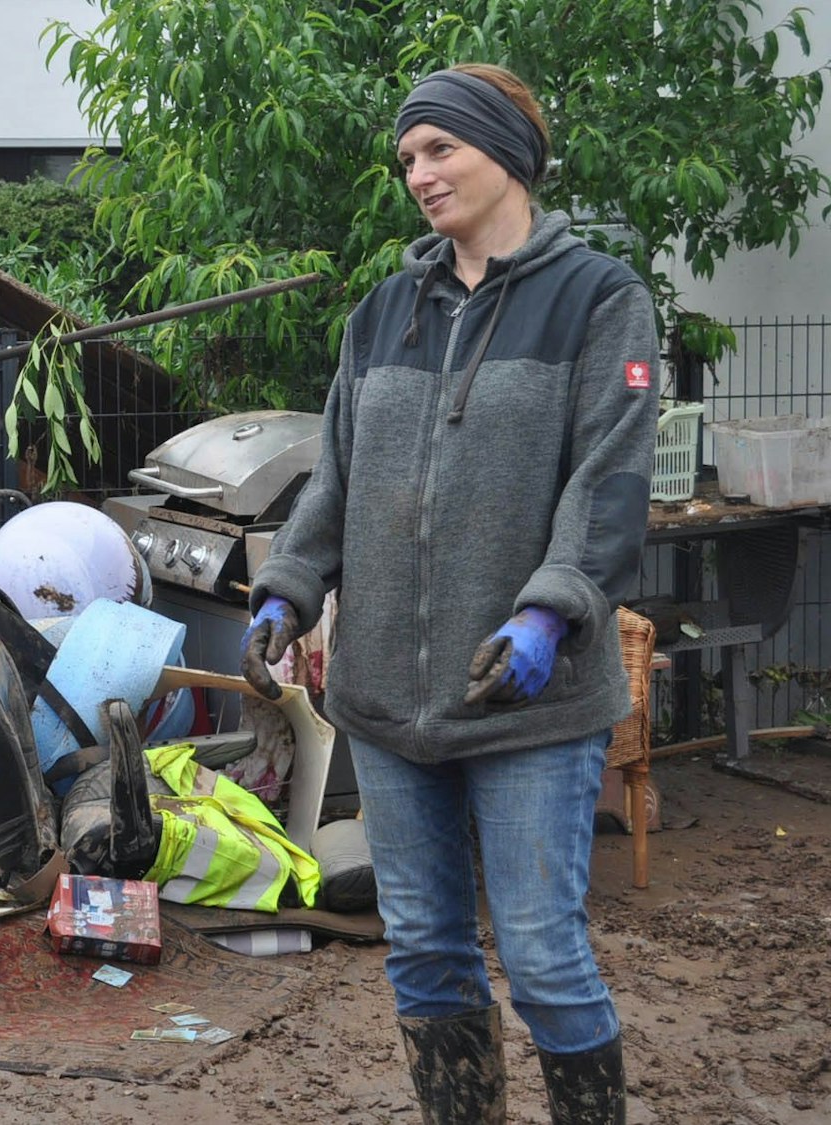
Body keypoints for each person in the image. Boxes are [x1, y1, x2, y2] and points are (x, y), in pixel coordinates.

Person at [242, 64, 657, 1124]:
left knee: (542, 954)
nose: (418, 177)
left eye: (439, 151)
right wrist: (287, 588)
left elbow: (606, 480)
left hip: (527, 698)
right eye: (406, 161)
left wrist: (549, 606)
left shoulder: (596, 300)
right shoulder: (384, 315)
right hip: (384, 700)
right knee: (423, 951)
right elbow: (332, 479)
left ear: (504, 151)